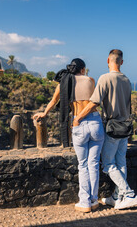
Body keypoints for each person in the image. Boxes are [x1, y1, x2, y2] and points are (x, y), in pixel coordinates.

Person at [33, 58, 104, 213]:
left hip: (78, 123)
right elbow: (96, 101)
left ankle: (84, 202)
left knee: (83, 164)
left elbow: (53, 101)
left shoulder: (63, 84)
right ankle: (93, 199)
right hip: (95, 122)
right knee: (93, 164)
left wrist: (44, 113)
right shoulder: (91, 80)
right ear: (83, 69)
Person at [73, 49, 137, 210]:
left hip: (112, 127)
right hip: (125, 127)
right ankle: (117, 197)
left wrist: (78, 118)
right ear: (122, 62)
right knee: (120, 162)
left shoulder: (105, 78)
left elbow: (94, 102)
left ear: (108, 61)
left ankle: (129, 194)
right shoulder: (127, 80)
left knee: (108, 164)